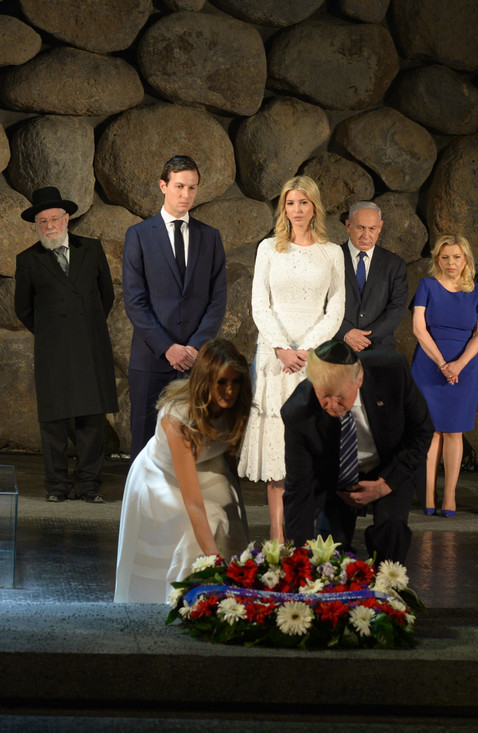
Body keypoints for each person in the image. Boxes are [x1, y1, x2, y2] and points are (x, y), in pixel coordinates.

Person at [237, 175, 345, 543]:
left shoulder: (332, 252)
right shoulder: (269, 248)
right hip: (274, 356)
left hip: (313, 360)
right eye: (290, 203)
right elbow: (259, 304)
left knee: (312, 444)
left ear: (314, 206)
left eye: (303, 202)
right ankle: (277, 531)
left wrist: (306, 349)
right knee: (277, 448)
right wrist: (282, 347)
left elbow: (336, 309)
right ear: (283, 208)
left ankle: (308, 527)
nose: (296, 210)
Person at [113, 338, 252, 603]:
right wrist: (216, 564)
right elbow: (194, 503)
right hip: (163, 475)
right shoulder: (177, 417)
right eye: (221, 382)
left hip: (209, 467)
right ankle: (185, 596)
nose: (230, 390)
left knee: (228, 508)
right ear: (205, 382)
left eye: (235, 382)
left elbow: (230, 465)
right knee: (208, 519)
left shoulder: (237, 408)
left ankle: (231, 597)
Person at [282, 340, 433, 563]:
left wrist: (385, 484)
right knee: (330, 553)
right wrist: (296, 562)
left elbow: (421, 432)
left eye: (340, 396)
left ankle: (386, 588)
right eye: (324, 395)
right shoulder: (298, 412)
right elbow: (298, 491)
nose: (331, 405)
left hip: (389, 463)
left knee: (392, 531)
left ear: (358, 380)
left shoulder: (392, 373)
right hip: (334, 473)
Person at [15, 187, 118, 503]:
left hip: (90, 347)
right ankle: (57, 485)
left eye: (54, 219)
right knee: (54, 423)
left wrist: (85, 326)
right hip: (53, 350)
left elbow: (106, 296)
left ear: (67, 218)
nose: (48, 226)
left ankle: (89, 483)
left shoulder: (92, 250)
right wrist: (51, 331)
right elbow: (24, 309)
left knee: (91, 421)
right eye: (42, 221)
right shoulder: (29, 259)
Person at [122, 155, 227, 460]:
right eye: (179, 186)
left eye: (192, 188)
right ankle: (143, 507)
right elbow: (135, 300)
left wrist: (194, 347)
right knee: (144, 444)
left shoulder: (210, 237)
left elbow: (217, 299)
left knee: (192, 442)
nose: (186, 194)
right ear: (163, 186)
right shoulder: (139, 235)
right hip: (151, 358)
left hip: (196, 361)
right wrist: (168, 347)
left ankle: (184, 505)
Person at [410, 234, 478, 517]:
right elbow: (419, 328)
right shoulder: (427, 286)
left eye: (456, 257)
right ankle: (429, 493)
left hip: (463, 368)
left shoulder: (477, 291)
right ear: (437, 260)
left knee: (454, 432)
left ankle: (450, 496)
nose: (451, 263)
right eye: (445, 257)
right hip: (429, 365)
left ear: (466, 259)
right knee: (430, 431)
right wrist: (443, 363)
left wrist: (458, 365)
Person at [334, 201, 409, 354]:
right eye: (360, 228)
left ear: (380, 227)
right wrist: (346, 333)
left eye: (372, 229)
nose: (366, 236)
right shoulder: (330, 259)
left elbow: (397, 308)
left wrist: (365, 338)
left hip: (379, 350)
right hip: (337, 347)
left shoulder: (395, 264)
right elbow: (320, 303)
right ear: (348, 226)